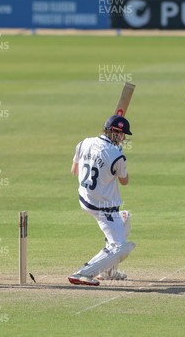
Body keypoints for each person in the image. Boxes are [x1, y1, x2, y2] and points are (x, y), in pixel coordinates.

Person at [68, 115, 135, 286]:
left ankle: (108, 272)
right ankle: (82, 273)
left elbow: (74, 171)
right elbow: (125, 181)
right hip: (104, 207)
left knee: (125, 218)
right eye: (121, 135)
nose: (123, 139)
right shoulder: (117, 155)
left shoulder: (84, 142)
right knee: (121, 247)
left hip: (85, 199)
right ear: (114, 132)